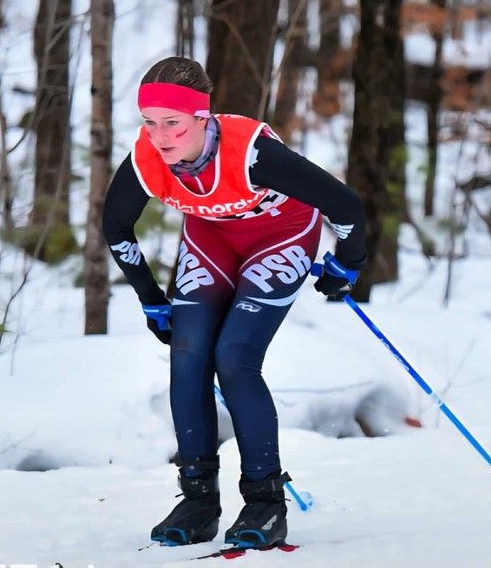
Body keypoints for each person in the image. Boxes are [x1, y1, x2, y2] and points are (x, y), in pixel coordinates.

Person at [103, 56, 367, 549]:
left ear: (201, 116)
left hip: (282, 236)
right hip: (213, 241)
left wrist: (347, 265)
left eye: (173, 123)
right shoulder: (146, 157)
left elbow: (345, 205)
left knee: (234, 357)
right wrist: (150, 298)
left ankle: (266, 503)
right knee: (187, 356)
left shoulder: (252, 152)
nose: (160, 136)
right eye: (149, 122)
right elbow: (115, 227)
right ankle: (198, 501)